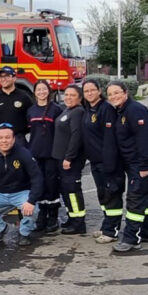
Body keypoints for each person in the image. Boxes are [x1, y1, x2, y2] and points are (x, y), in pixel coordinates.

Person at [106, 82, 148, 253]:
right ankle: (144, 232)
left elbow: (144, 139)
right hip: (131, 163)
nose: (113, 96)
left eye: (117, 92)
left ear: (126, 93)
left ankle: (131, 239)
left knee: (135, 200)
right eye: (110, 94)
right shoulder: (121, 111)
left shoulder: (134, 110)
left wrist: (144, 166)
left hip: (139, 164)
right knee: (143, 199)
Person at [81, 79, 121, 243]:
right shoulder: (89, 110)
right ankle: (107, 226)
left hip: (108, 162)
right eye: (86, 91)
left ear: (99, 91)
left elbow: (110, 139)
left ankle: (112, 231)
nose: (89, 93)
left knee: (112, 195)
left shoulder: (106, 109)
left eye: (92, 90)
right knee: (103, 195)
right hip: (95, 162)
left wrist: (110, 163)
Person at [26, 80, 64, 234]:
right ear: (34, 92)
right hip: (36, 153)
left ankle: (53, 216)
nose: (41, 92)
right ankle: (42, 214)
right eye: (38, 89)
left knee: (52, 184)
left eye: (44, 89)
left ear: (48, 91)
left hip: (52, 154)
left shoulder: (56, 110)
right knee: (39, 185)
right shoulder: (30, 111)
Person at [51, 86, 87, 234]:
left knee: (72, 191)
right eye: (66, 94)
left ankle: (78, 223)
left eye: (72, 95)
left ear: (79, 98)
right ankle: (72, 218)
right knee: (66, 190)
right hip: (61, 159)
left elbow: (76, 136)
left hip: (70, 160)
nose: (68, 97)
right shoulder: (67, 110)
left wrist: (69, 157)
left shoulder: (78, 112)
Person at [0, 66, 34, 146]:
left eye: (7, 76)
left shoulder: (24, 97)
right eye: (1, 77)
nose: (3, 79)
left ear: (14, 78)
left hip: (18, 139)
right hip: (0, 139)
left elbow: (31, 118)